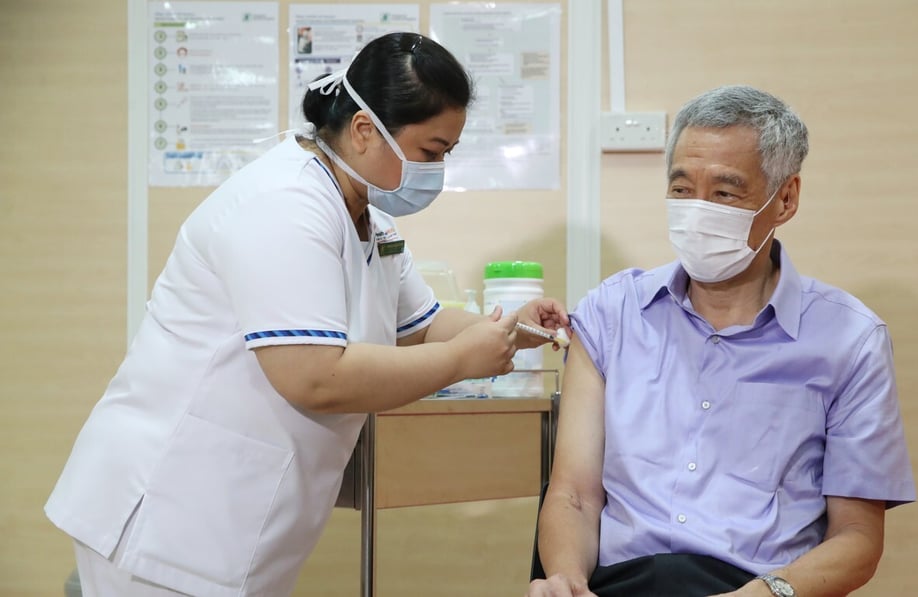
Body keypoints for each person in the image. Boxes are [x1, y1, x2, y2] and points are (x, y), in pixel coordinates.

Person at [46, 31, 568, 596]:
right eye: (431, 151)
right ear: (366, 130)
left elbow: (421, 326)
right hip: (169, 513)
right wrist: (460, 361)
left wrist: (514, 329)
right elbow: (313, 375)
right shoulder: (284, 205)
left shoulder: (368, 215)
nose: (437, 169)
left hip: (234, 516)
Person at [527, 85, 915, 597]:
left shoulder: (851, 341)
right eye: (682, 189)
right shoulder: (611, 314)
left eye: (725, 193)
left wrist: (762, 594)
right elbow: (574, 495)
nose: (697, 210)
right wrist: (566, 583)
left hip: (757, 587)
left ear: (786, 199)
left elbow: (857, 538)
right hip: (618, 584)